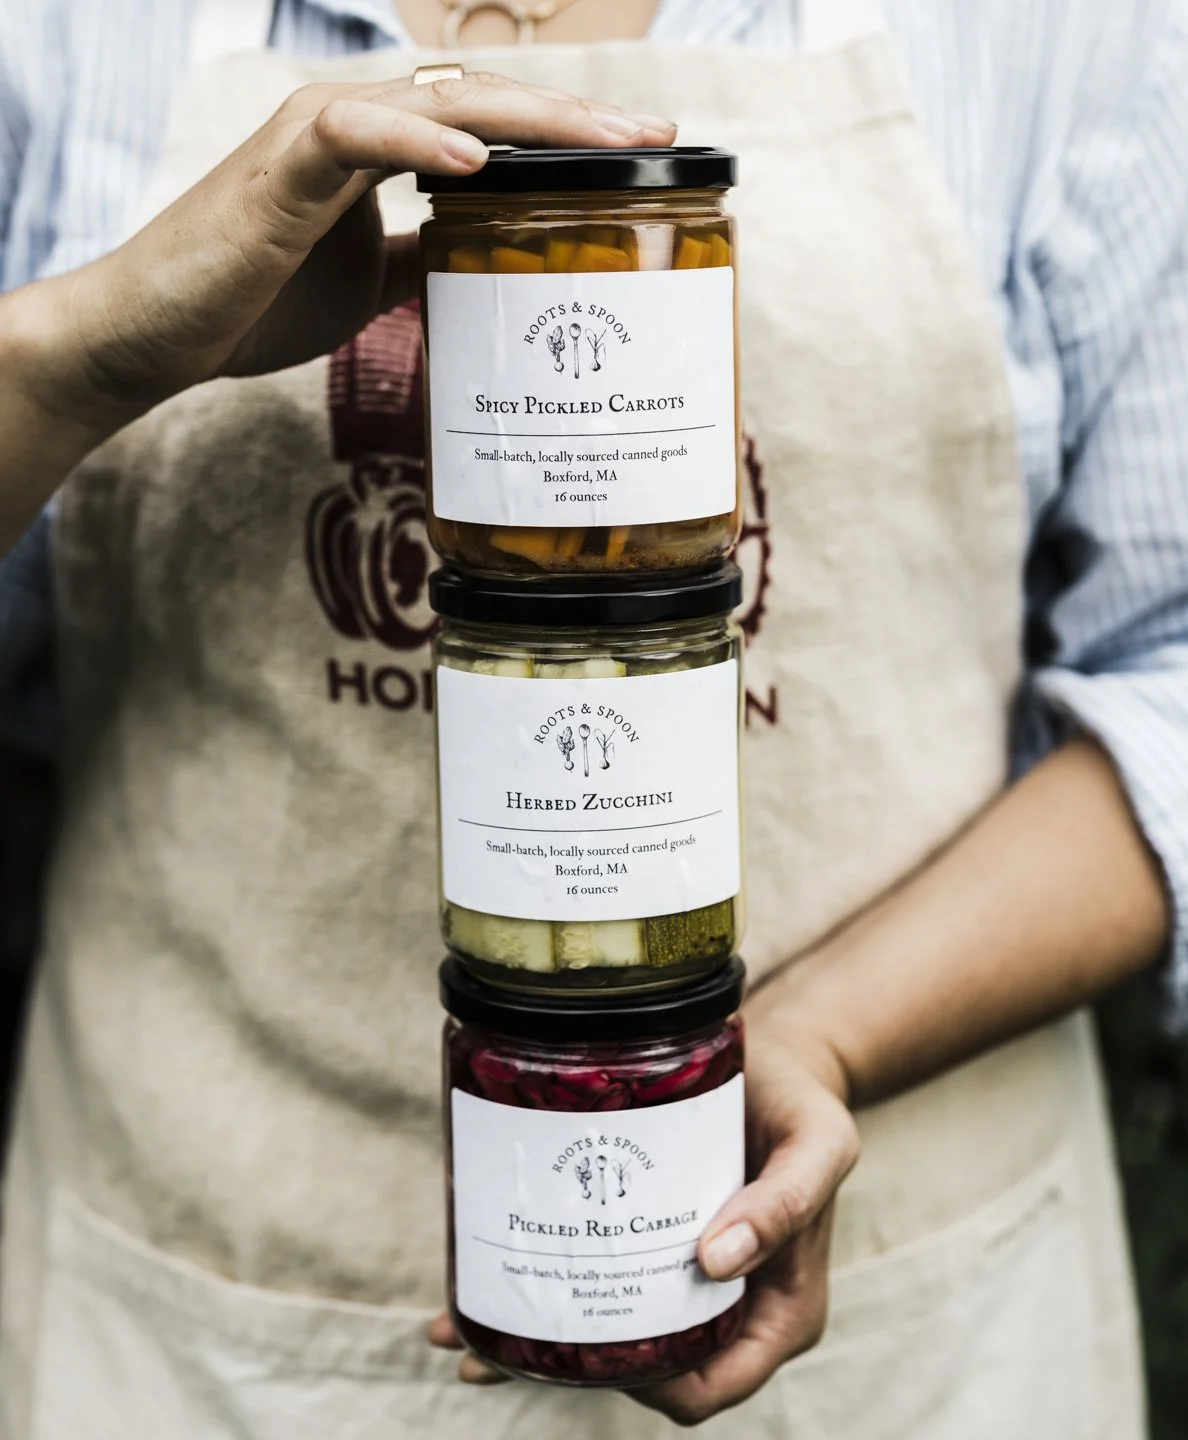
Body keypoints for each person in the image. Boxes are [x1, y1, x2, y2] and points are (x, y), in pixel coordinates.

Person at [1, 1, 1186, 1436]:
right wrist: (77, 357)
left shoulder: (1070, 32)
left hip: (917, 1331)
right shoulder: (59, 34)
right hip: (207, 1327)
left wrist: (813, 1041)